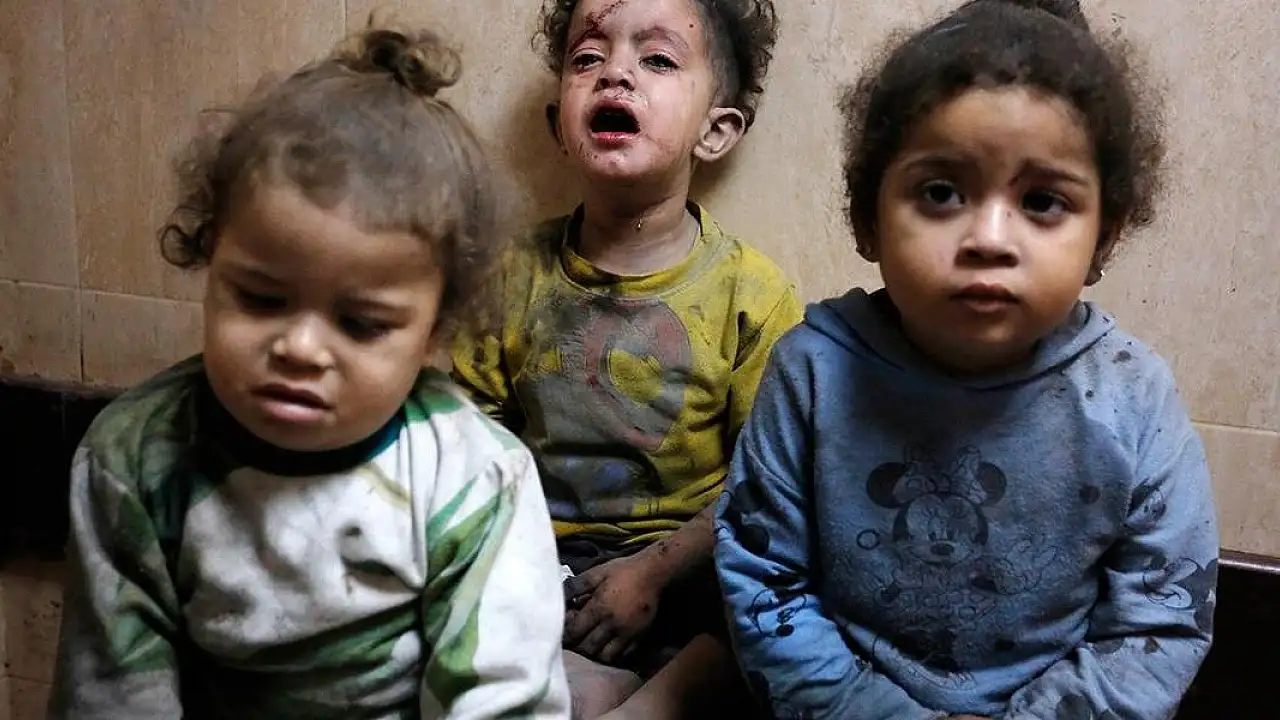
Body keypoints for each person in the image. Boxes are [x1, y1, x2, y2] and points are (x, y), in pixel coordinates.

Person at [48, 24, 569, 720]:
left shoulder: (475, 479)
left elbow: (503, 698)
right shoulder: (133, 460)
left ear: (436, 331)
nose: (299, 347)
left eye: (361, 324)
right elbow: (111, 694)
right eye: (261, 299)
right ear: (211, 256)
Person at [714, 1, 1219, 718]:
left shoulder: (1135, 399)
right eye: (941, 192)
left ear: (1103, 239)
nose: (989, 238)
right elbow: (765, 584)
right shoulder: (811, 374)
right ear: (867, 218)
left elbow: (1158, 623)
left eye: (1042, 201)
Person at [450, 0, 798, 717]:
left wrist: (653, 574)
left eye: (658, 59)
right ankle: (585, 683)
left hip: (692, 564)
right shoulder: (511, 276)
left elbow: (768, 485)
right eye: (588, 58)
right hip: (547, 565)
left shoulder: (752, 295)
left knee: (781, 597)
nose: (616, 74)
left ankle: (664, 693)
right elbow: (468, 440)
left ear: (715, 130)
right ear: (559, 124)